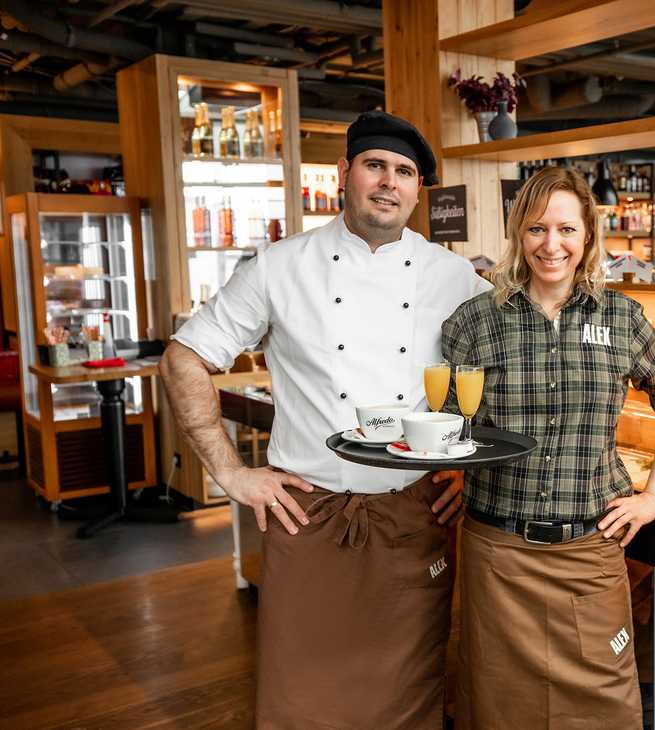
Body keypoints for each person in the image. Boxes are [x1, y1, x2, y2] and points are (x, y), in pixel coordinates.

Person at [159, 111, 491, 729]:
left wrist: (467, 471)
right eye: (375, 166)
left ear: (419, 190)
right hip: (306, 514)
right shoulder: (280, 266)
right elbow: (184, 358)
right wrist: (233, 474)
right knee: (300, 698)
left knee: (410, 692)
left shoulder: (456, 279)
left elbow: (492, 384)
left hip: (411, 516)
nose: (388, 183)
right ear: (344, 173)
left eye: (403, 172)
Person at [441, 165, 655, 728]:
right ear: (518, 235)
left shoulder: (622, 317)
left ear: (587, 238)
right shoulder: (476, 322)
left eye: (565, 230)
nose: (550, 245)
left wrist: (653, 495)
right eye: (536, 230)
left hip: (590, 552)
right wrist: (446, 472)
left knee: (606, 704)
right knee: (500, 709)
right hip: (498, 554)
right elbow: (446, 424)